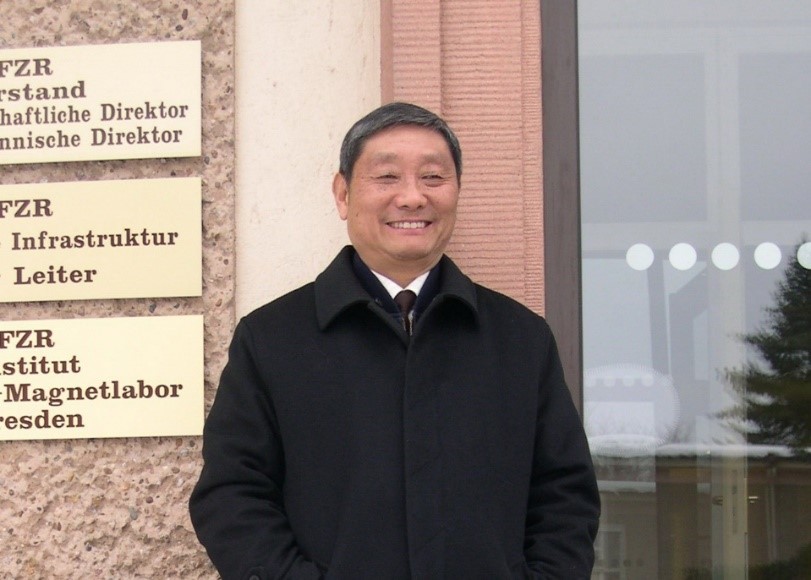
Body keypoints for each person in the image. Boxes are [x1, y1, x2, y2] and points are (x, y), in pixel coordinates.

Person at [189, 102, 600, 579]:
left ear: (457, 191)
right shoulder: (272, 339)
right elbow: (232, 496)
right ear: (343, 194)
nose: (412, 197)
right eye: (387, 177)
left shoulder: (520, 339)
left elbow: (565, 498)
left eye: (433, 177)